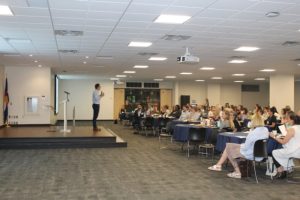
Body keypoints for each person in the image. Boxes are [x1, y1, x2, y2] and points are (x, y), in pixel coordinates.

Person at [208, 114, 269, 179]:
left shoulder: (252, 133)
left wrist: (240, 146)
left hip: (250, 153)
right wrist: (240, 146)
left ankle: (237, 172)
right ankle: (218, 165)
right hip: (260, 153)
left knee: (229, 150)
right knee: (229, 146)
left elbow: (245, 148)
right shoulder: (265, 130)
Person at [270, 111, 300, 179]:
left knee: (274, 152)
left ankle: (282, 170)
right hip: (297, 150)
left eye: (286, 118)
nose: (286, 120)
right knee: (282, 151)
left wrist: (274, 136)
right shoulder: (297, 127)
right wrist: (284, 125)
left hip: (294, 151)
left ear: (290, 119)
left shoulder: (292, 129)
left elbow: (283, 142)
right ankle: (288, 168)